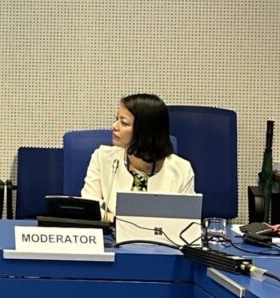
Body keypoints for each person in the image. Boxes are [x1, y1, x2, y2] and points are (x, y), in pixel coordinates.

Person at [81, 93, 195, 221]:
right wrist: (118, 221)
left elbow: (186, 222)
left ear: (146, 131)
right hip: (112, 236)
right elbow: (90, 207)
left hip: (161, 239)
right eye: (116, 119)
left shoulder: (182, 170)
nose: (114, 126)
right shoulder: (102, 157)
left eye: (124, 123)